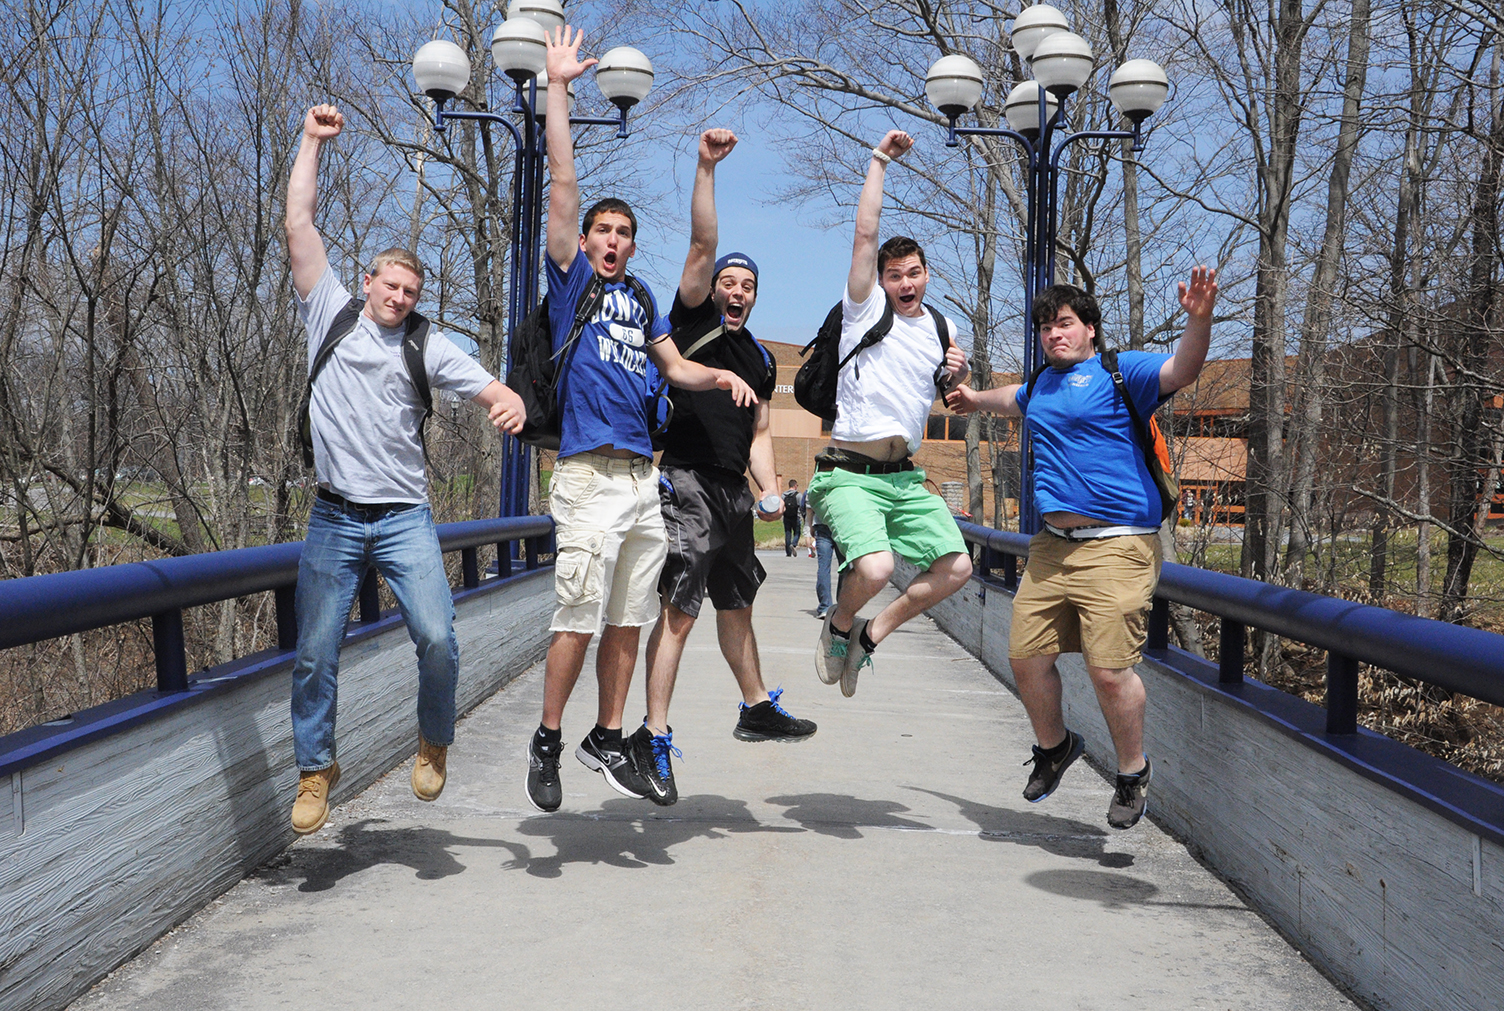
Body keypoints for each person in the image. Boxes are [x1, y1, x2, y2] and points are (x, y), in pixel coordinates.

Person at [523, 29, 758, 814]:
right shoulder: (572, 288)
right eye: (603, 233)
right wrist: (558, 88)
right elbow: (562, 179)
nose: (614, 242)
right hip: (588, 472)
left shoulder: (644, 297)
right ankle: (551, 737)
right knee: (580, 617)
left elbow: (674, 366)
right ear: (585, 243)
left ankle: (609, 733)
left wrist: (717, 371)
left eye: (624, 234)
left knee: (630, 616)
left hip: (641, 480)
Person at [284, 104, 528, 835]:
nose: (399, 299)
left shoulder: (427, 343)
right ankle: (314, 769)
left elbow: (488, 385)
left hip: (402, 517)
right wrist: (311, 143)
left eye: (411, 292)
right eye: (390, 287)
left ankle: (433, 737)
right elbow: (299, 223)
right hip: (333, 513)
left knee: (436, 635)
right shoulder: (328, 308)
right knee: (315, 651)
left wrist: (506, 399)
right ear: (367, 281)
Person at [946, 269, 1218, 829]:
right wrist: (971, 397)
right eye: (1045, 328)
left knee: (1108, 671)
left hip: (1118, 545)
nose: (1053, 335)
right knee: (1025, 655)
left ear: (1090, 329)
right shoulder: (1040, 384)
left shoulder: (1122, 371)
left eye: (1064, 324)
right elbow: (1010, 399)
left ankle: (1130, 772)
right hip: (1052, 547)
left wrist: (1199, 318)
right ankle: (1055, 747)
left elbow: (1183, 368)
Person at [630, 128, 817, 806]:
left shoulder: (764, 360)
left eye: (746, 286)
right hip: (685, 481)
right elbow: (704, 242)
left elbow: (762, 430)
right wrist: (707, 169)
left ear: (757, 297)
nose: (735, 291)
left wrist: (767, 489)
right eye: (727, 283)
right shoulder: (691, 320)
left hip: (734, 492)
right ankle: (652, 736)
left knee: (738, 602)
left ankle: (754, 704)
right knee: (680, 610)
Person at [808, 129, 973, 700]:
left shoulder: (943, 329)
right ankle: (837, 625)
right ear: (881, 280)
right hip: (848, 473)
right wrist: (878, 161)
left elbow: (945, 395)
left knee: (957, 569)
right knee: (875, 569)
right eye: (895, 274)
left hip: (904, 478)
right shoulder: (864, 310)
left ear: (927, 276)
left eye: (914, 273)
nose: (905, 283)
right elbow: (865, 232)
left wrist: (961, 378)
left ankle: (871, 633)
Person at [806, 492, 835, 619]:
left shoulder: (817, 483)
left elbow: (809, 508)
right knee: (846, 568)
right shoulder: (846, 477)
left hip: (821, 525)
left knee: (824, 567)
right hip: (842, 525)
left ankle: (825, 606)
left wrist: (810, 525)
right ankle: (843, 609)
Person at [782, 479, 803, 556]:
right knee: (797, 532)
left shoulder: (783, 495)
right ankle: (793, 544)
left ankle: (788, 552)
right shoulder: (798, 495)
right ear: (795, 486)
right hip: (795, 517)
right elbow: (801, 506)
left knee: (788, 533)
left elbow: (781, 506)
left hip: (786, 517)